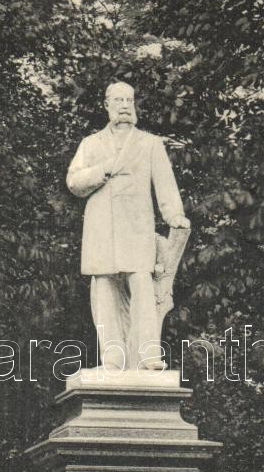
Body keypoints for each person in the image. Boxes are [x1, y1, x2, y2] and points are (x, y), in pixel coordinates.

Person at [66, 81, 190, 371]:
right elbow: (73, 182)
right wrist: (104, 170)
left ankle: (148, 354)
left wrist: (174, 215)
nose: (124, 106)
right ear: (106, 105)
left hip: (136, 226)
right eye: (118, 100)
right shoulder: (91, 144)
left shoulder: (149, 143)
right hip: (102, 227)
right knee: (105, 287)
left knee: (143, 286)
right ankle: (112, 356)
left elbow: (165, 185)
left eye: (129, 100)